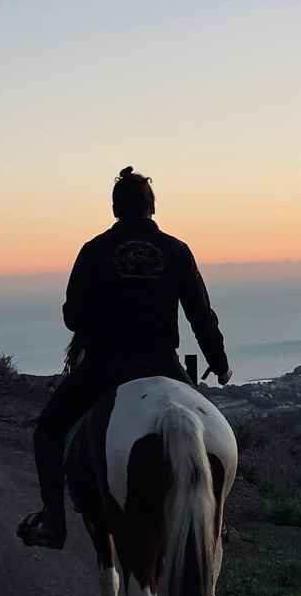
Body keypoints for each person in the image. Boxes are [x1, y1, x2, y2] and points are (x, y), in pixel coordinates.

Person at [17, 166, 231, 549]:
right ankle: (216, 520)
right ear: (152, 207)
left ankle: (53, 521)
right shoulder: (176, 250)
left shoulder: (94, 250)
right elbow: (201, 314)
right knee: (210, 432)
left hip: (104, 368)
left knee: (49, 430)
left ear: (115, 209)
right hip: (162, 365)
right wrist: (220, 362)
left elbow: (72, 317)